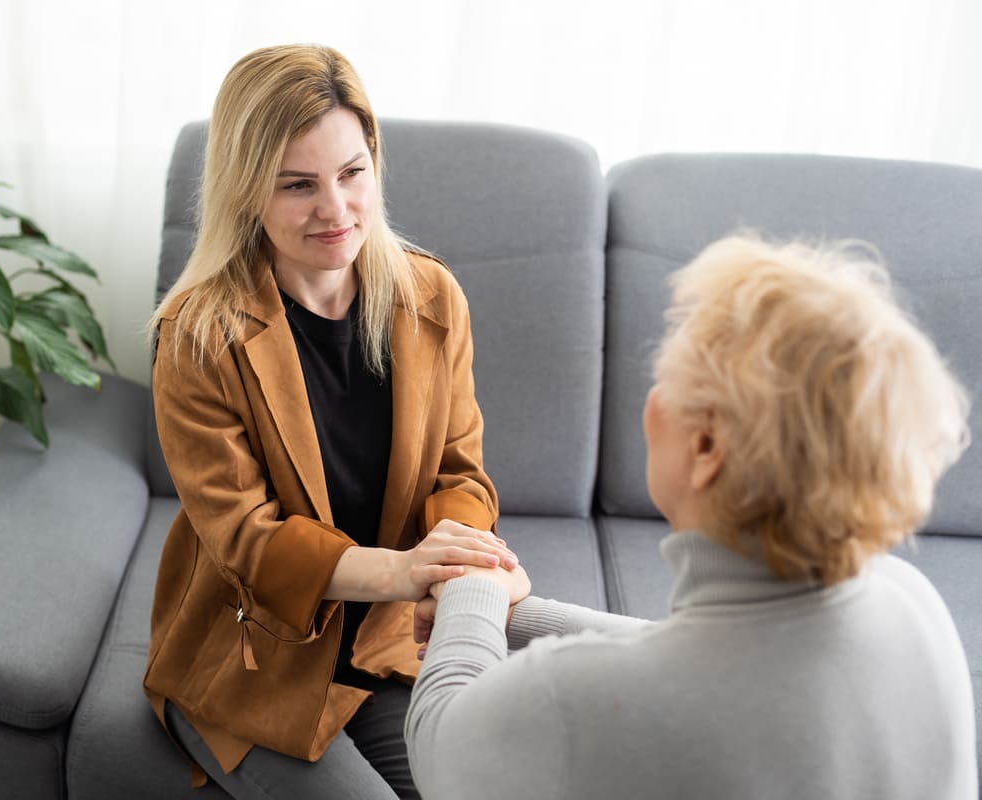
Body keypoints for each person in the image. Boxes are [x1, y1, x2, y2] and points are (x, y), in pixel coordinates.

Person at [405, 234, 977, 799]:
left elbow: (440, 747)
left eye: (665, 378)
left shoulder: (574, 703)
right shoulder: (910, 601)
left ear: (707, 448)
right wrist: (522, 615)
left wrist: (472, 588)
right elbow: (718, 662)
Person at [145, 43, 515, 800]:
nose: (336, 210)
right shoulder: (197, 336)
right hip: (249, 661)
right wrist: (403, 573)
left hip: (386, 648)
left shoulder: (432, 298)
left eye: (351, 173)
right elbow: (249, 539)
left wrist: (459, 559)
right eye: (298, 185)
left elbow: (460, 473)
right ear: (246, 189)